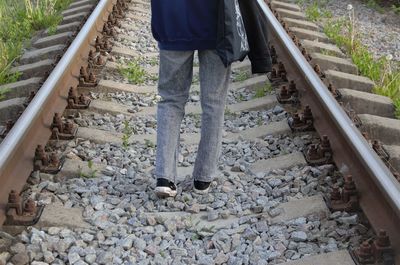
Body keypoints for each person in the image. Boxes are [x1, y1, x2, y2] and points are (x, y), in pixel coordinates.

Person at [150, 0, 231, 197]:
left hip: (172, 21)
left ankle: (165, 177)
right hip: (217, 24)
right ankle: (203, 178)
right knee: (214, 102)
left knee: (171, 99)